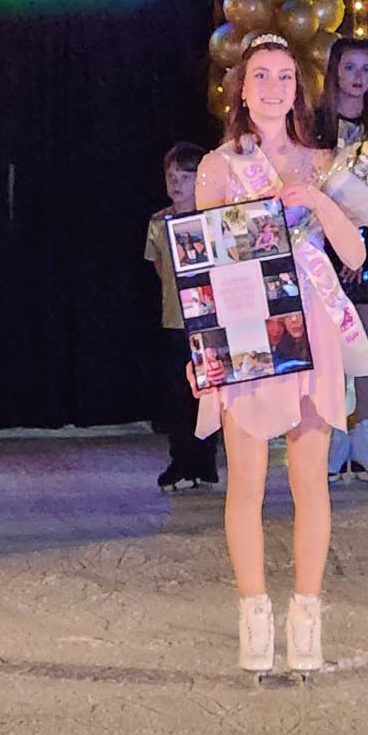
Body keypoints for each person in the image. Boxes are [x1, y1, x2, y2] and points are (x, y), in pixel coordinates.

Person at [190, 33, 368, 675]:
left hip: (311, 329)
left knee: (309, 481)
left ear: (300, 90)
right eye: (261, 76)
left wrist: (315, 199)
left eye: (285, 77)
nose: (273, 87)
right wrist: (202, 351)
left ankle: (306, 617)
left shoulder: (323, 164)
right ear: (241, 88)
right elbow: (204, 270)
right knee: (246, 481)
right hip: (247, 332)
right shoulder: (219, 166)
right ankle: (254, 617)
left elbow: (355, 254)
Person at [316, 37, 368, 484]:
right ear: (334, 70)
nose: (358, 78)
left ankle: (366, 433)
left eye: (367, 69)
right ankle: (332, 434)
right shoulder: (312, 124)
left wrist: (364, 241)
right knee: (327, 344)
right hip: (324, 246)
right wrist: (340, 236)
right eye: (350, 68)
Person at [144, 142, 219, 491]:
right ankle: (181, 460)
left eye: (185, 177)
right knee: (178, 393)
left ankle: (205, 462)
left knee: (209, 391)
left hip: (210, 318)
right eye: (171, 177)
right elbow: (159, 265)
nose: (176, 184)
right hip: (175, 319)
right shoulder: (159, 222)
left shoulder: (212, 219)